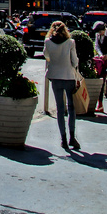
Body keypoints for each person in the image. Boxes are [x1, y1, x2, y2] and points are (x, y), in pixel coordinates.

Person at [43, 19, 81, 152]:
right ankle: (72, 137)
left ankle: (63, 139)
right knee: (71, 107)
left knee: (60, 109)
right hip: (68, 76)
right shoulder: (70, 42)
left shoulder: (48, 42)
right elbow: (75, 61)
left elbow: (46, 55)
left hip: (55, 76)